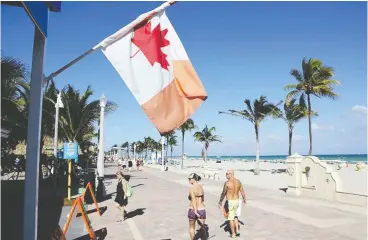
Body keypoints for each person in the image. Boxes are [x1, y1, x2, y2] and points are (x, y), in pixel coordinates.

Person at [218, 170, 246, 238]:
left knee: (230, 218)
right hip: (237, 201)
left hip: (230, 201)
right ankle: (237, 231)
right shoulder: (238, 181)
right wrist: (244, 198)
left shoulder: (227, 183)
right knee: (235, 216)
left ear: (231, 174)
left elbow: (223, 193)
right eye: (226, 174)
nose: (226, 175)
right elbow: (242, 191)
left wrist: (220, 201)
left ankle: (233, 234)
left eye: (227, 174)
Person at [188, 173, 207, 240]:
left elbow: (193, 200)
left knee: (192, 227)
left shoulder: (192, 189)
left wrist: (195, 211)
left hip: (193, 209)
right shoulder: (201, 187)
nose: (189, 180)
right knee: (202, 228)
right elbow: (203, 199)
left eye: (190, 179)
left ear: (194, 179)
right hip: (201, 209)